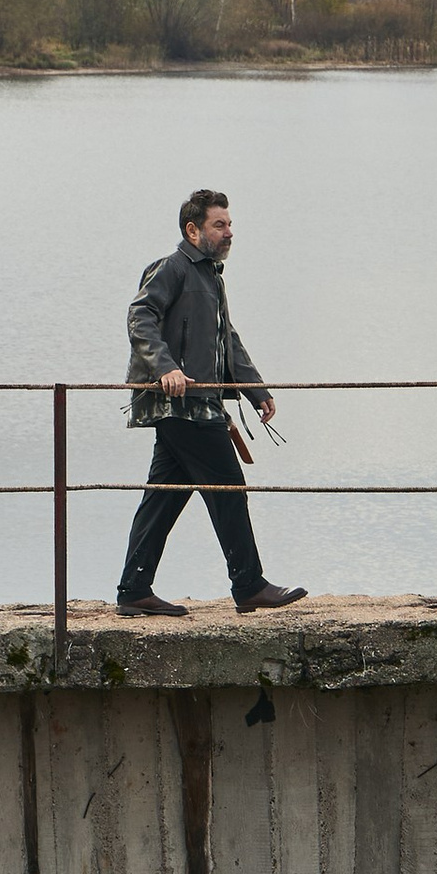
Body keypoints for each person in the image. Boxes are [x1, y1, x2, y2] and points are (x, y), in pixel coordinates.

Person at [118, 187, 308, 615]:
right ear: (193, 230)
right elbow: (140, 316)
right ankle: (249, 584)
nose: (228, 233)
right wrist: (166, 367)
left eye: (230, 225)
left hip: (201, 404)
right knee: (228, 487)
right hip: (181, 404)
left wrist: (255, 389)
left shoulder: (210, 277)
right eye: (219, 225)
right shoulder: (172, 268)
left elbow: (226, 340)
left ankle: (133, 590)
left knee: (164, 497)